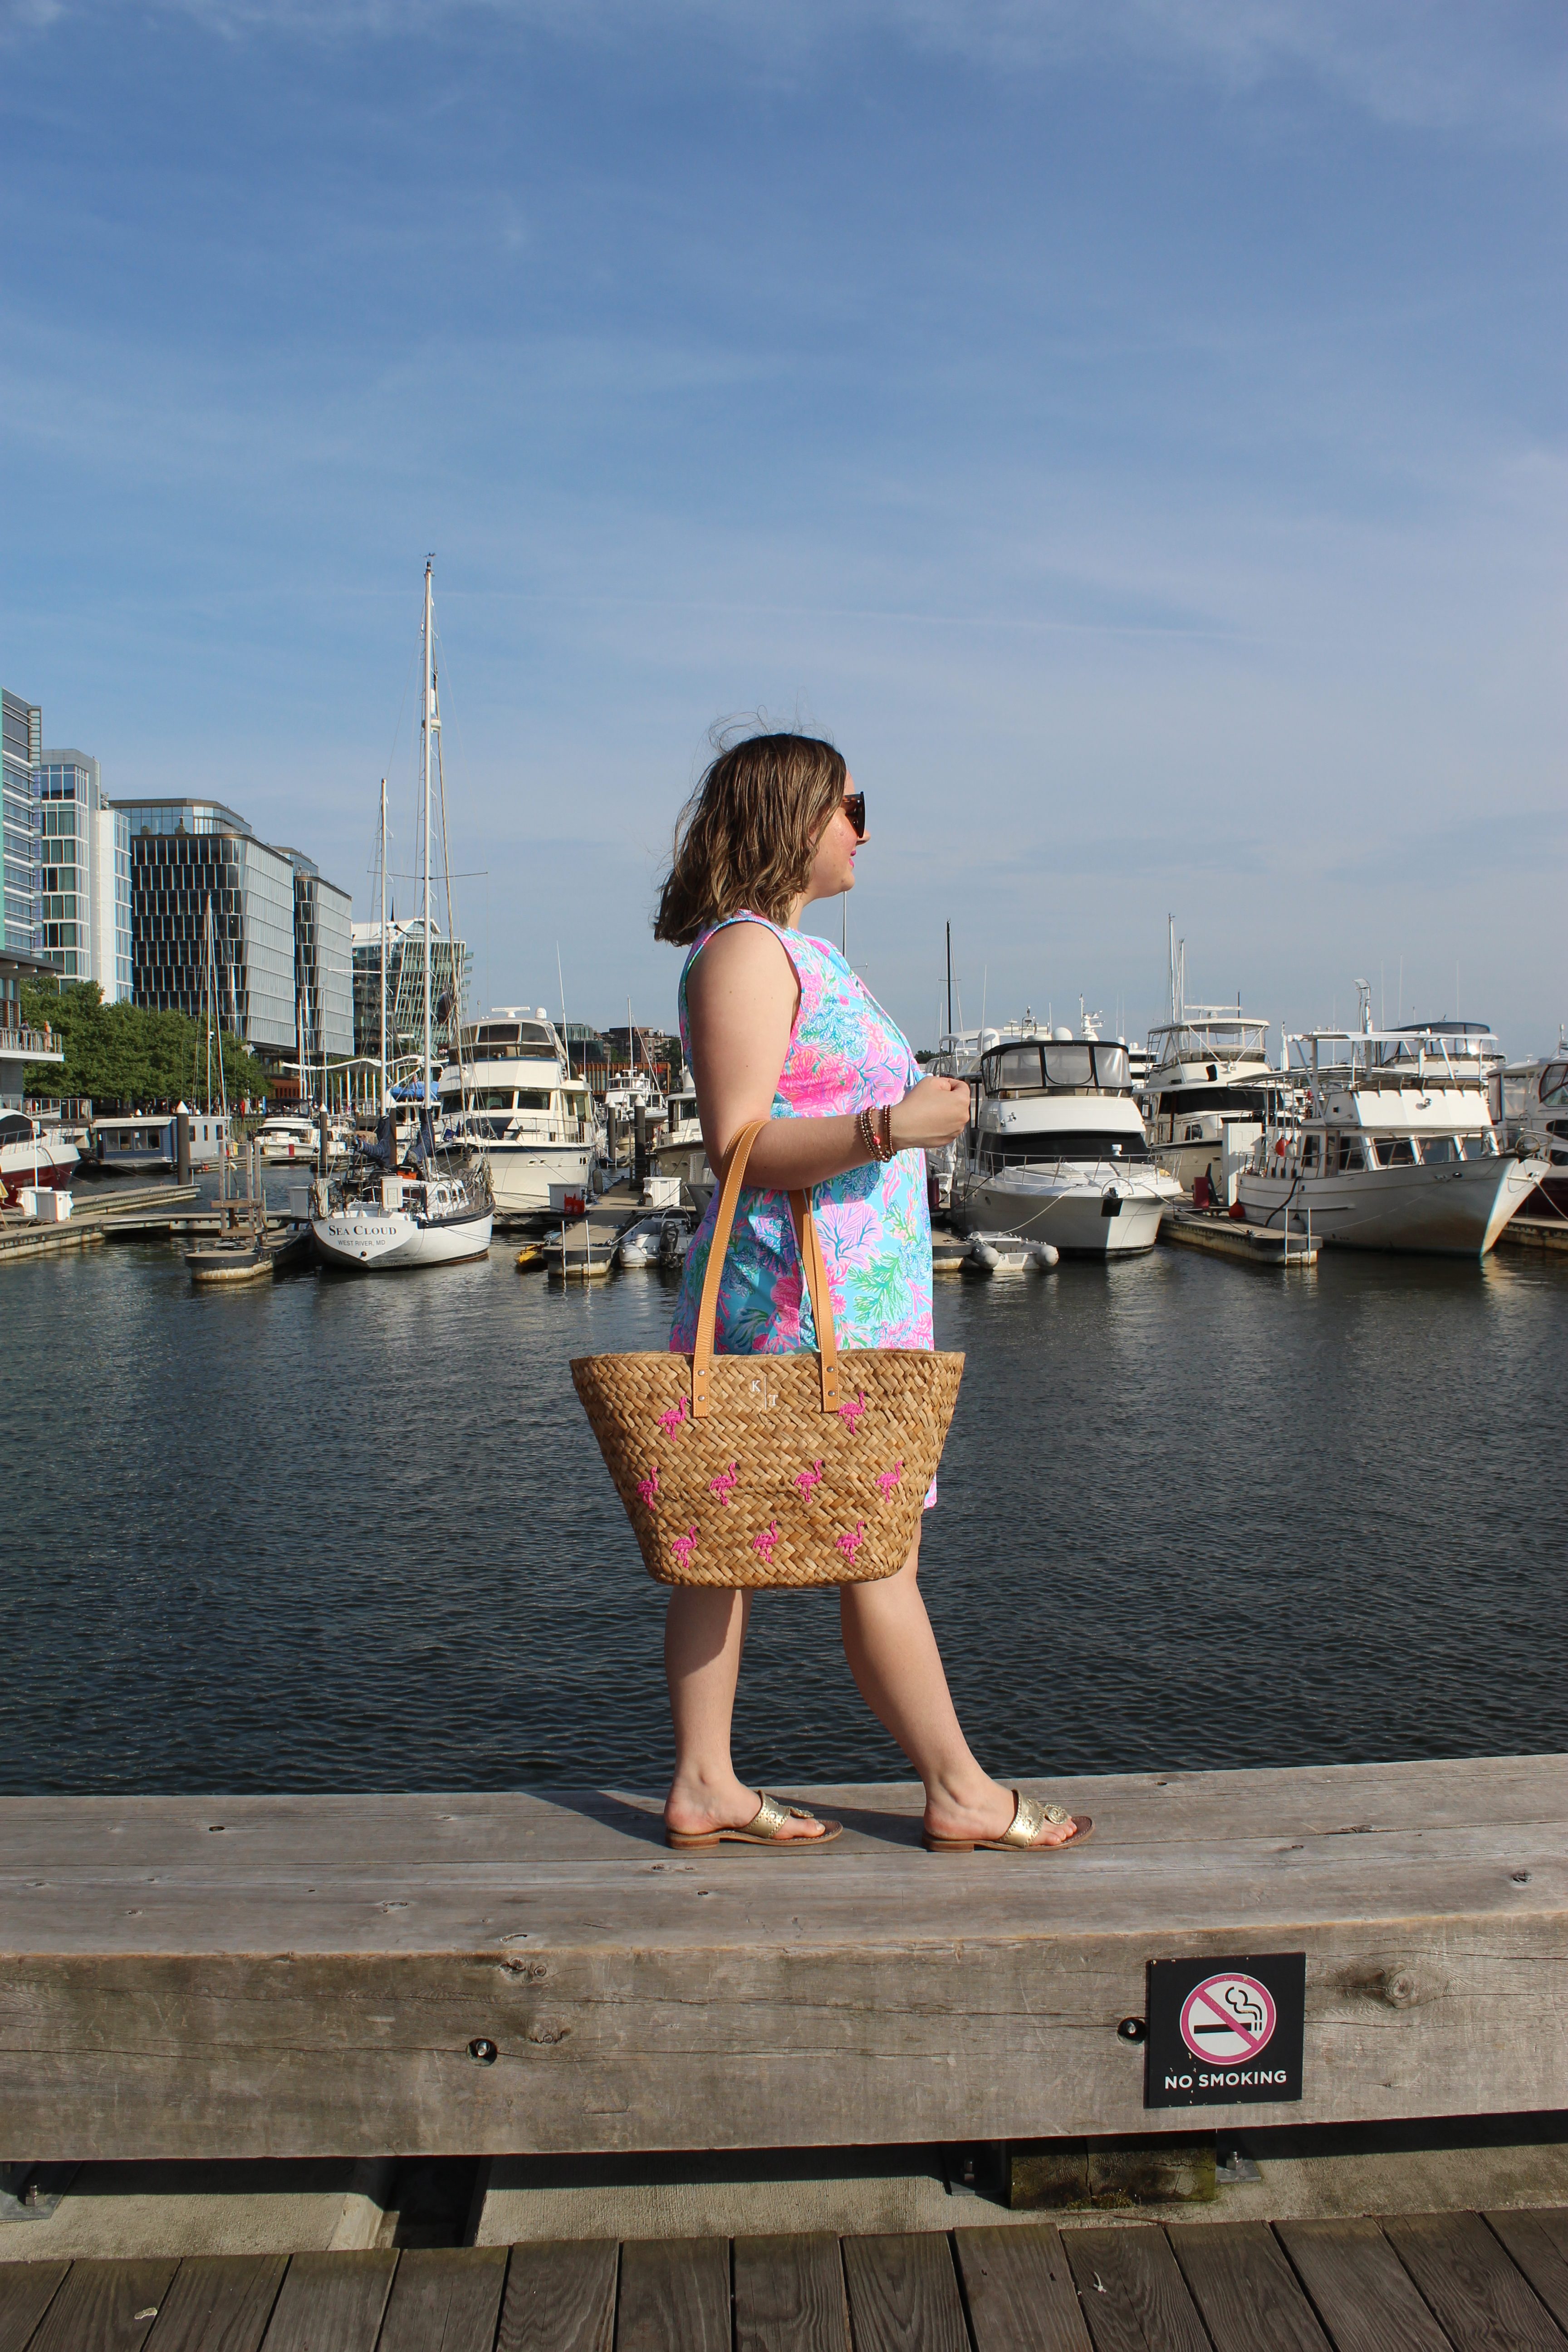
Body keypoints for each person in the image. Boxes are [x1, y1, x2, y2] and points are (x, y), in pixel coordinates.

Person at [652, 730, 1092, 1857]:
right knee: (868, 1553)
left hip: (843, 1306)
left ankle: (707, 1782)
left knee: (727, 1541)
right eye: (852, 806)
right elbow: (739, 1144)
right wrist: (894, 1125)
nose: (863, 829)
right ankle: (960, 1791)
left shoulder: (791, 952)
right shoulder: (745, 953)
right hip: (802, 1310)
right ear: (792, 815)